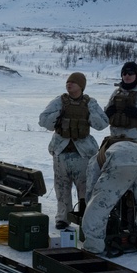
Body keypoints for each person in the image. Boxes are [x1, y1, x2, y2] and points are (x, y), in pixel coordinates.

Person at [85, 61, 137, 255]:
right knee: (93, 173)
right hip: (113, 143)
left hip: (136, 143)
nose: (127, 76)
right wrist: (107, 114)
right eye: (124, 73)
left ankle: (96, 240)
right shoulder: (117, 93)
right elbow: (104, 121)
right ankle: (100, 221)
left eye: (131, 73)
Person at [37, 72, 109, 230]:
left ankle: (85, 217)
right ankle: (63, 217)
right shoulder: (59, 101)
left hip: (82, 154)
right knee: (61, 188)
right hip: (61, 152)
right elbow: (43, 120)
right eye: (68, 82)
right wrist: (58, 115)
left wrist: (89, 115)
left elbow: (103, 123)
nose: (69, 84)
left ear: (81, 86)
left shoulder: (90, 103)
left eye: (73, 82)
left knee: (85, 188)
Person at [81, 139, 137, 256]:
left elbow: (92, 181)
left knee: (97, 208)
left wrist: (90, 202)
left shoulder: (102, 153)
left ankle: (93, 247)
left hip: (120, 164)